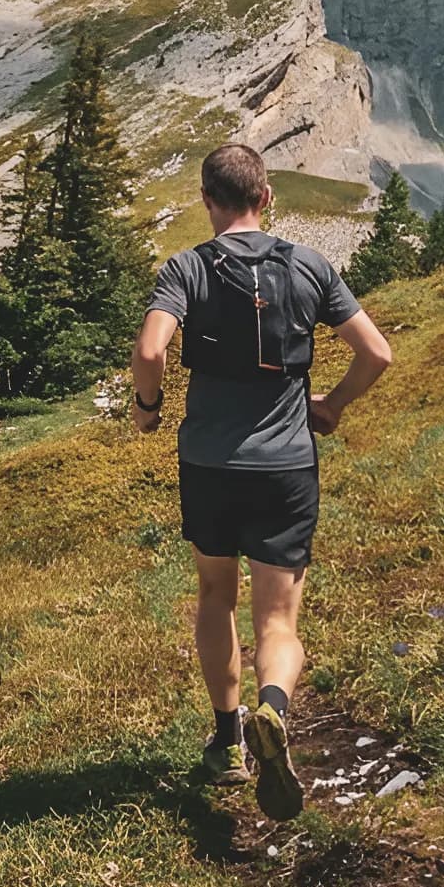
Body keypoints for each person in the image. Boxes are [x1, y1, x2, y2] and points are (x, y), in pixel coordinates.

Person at [129, 143, 394, 820]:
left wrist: (149, 410)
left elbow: (151, 349)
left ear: (207, 201)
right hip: (285, 467)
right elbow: (377, 352)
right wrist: (330, 406)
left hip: (210, 467)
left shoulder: (186, 268)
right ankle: (273, 709)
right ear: (266, 196)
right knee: (277, 618)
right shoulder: (309, 267)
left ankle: (227, 741)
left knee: (215, 597)